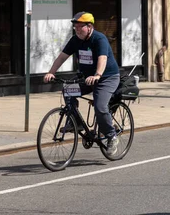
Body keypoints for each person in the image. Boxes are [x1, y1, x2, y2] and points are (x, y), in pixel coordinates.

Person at [44, 12, 121, 155]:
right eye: (75, 27)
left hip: (107, 78)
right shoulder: (75, 40)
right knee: (68, 90)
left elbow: (102, 58)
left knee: (100, 107)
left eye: (80, 27)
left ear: (90, 26)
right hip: (87, 78)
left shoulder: (99, 39)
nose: (77, 29)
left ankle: (111, 136)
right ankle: (76, 123)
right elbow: (62, 57)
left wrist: (97, 74)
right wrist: (51, 72)